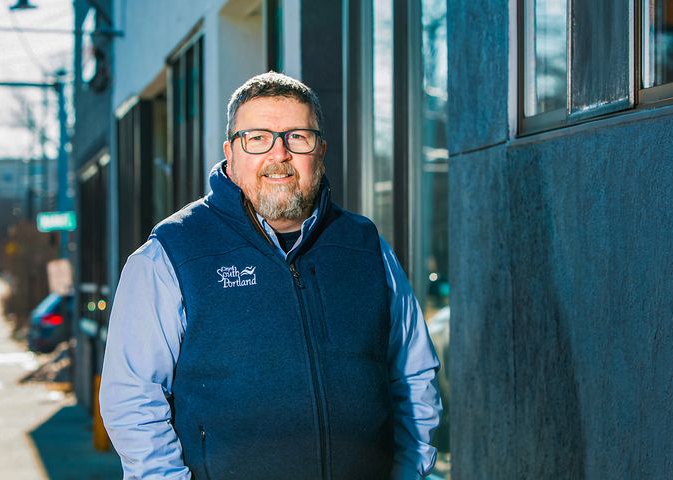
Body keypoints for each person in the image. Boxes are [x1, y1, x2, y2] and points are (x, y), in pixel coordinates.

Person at [100, 72, 442, 480]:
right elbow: (133, 399)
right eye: (258, 138)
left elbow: (412, 374)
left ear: (321, 150)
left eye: (298, 137)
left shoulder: (366, 246)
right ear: (231, 152)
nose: (279, 154)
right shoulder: (171, 253)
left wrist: (408, 473)